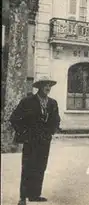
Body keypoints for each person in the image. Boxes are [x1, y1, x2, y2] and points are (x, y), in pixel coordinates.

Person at [10, 77, 61, 205]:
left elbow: (56, 120)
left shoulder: (52, 103)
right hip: (30, 140)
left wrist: (51, 132)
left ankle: (35, 195)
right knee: (27, 167)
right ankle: (22, 197)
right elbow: (14, 118)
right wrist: (24, 134)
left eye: (50, 86)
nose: (48, 88)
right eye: (45, 85)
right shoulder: (27, 101)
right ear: (39, 87)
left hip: (44, 141)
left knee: (40, 167)